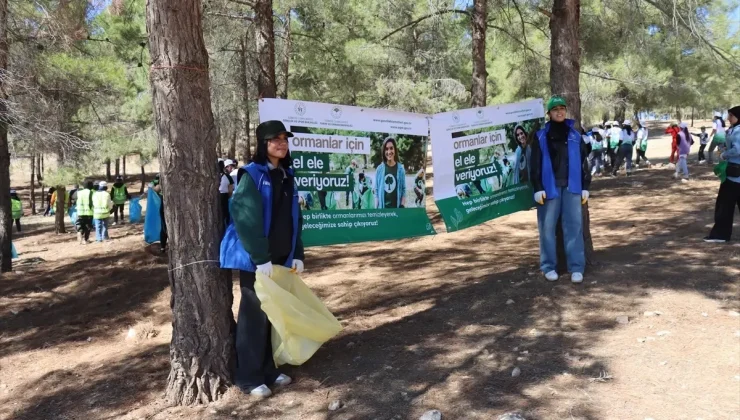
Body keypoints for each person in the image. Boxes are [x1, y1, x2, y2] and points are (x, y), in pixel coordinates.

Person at [220, 120, 302, 398]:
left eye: (284, 138)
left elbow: (294, 219)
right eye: (274, 139)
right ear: (263, 144)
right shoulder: (251, 175)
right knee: (253, 317)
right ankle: (249, 377)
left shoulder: (287, 175)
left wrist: (297, 253)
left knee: (271, 315)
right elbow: (245, 219)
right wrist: (260, 258)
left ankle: (268, 369)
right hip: (256, 260)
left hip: (279, 259)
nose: (281, 143)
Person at [530, 96, 590, 284]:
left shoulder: (575, 135)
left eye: (562, 108)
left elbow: (583, 163)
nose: (559, 112)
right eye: (555, 109)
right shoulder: (540, 136)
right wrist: (537, 187)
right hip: (549, 188)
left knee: (574, 226)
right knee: (547, 228)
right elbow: (534, 164)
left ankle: (577, 267)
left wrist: (586, 186)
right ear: (549, 113)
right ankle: (548, 266)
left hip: (572, 187)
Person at [704, 106, 740, 243]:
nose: (728, 118)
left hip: (734, 175)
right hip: (734, 175)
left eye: (731, 116)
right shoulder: (733, 129)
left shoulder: (738, 131)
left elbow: (738, 149)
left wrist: (724, 154)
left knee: (724, 206)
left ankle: (720, 235)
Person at [375, 137, 406, 209]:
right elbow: (376, 191)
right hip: (383, 212)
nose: (389, 152)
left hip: (397, 211)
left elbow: (403, 190)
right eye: (386, 149)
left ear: (395, 150)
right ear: (383, 151)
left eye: (391, 148)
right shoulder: (379, 169)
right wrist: (376, 209)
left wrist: (402, 205)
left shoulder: (401, 169)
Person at [219, 159, 236, 227]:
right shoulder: (227, 177)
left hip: (217, 197)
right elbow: (230, 190)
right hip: (224, 197)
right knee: (225, 215)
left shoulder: (212, 177)